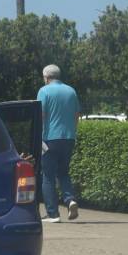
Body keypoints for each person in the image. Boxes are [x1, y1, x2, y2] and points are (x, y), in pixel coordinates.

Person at [37, 64, 80, 223]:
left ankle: (52, 214)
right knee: (63, 172)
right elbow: (76, 115)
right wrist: (71, 133)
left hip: (49, 139)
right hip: (68, 138)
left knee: (47, 176)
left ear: (46, 77)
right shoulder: (71, 91)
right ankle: (70, 200)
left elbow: (40, 115)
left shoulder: (44, 91)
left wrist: (38, 137)